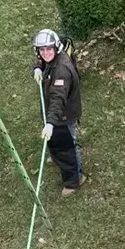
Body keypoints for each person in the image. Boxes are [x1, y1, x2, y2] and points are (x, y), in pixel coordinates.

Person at [32, 29, 86, 196]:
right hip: (55, 116)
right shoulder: (52, 57)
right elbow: (42, 60)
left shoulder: (61, 70)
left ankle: (75, 179)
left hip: (63, 115)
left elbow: (58, 99)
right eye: (42, 50)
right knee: (55, 140)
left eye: (48, 49)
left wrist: (50, 123)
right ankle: (56, 157)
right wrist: (37, 68)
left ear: (56, 47)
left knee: (67, 148)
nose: (45, 53)